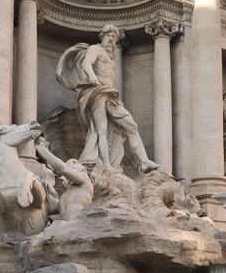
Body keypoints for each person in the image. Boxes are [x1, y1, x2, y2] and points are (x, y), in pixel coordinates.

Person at [56, 24, 160, 173]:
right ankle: (107, 166)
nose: (112, 39)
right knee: (102, 131)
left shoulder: (112, 58)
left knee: (131, 126)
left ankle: (144, 161)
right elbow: (86, 62)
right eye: (109, 36)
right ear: (102, 36)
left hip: (111, 95)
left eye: (114, 37)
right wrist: (92, 76)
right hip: (97, 92)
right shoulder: (95, 49)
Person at [33, 136, 94, 220]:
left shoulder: (85, 179)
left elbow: (63, 169)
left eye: (73, 165)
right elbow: (48, 209)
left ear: (83, 170)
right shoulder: (66, 195)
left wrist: (42, 149)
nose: (71, 167)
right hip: (64, 228)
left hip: (77, 225)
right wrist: (42, 186)